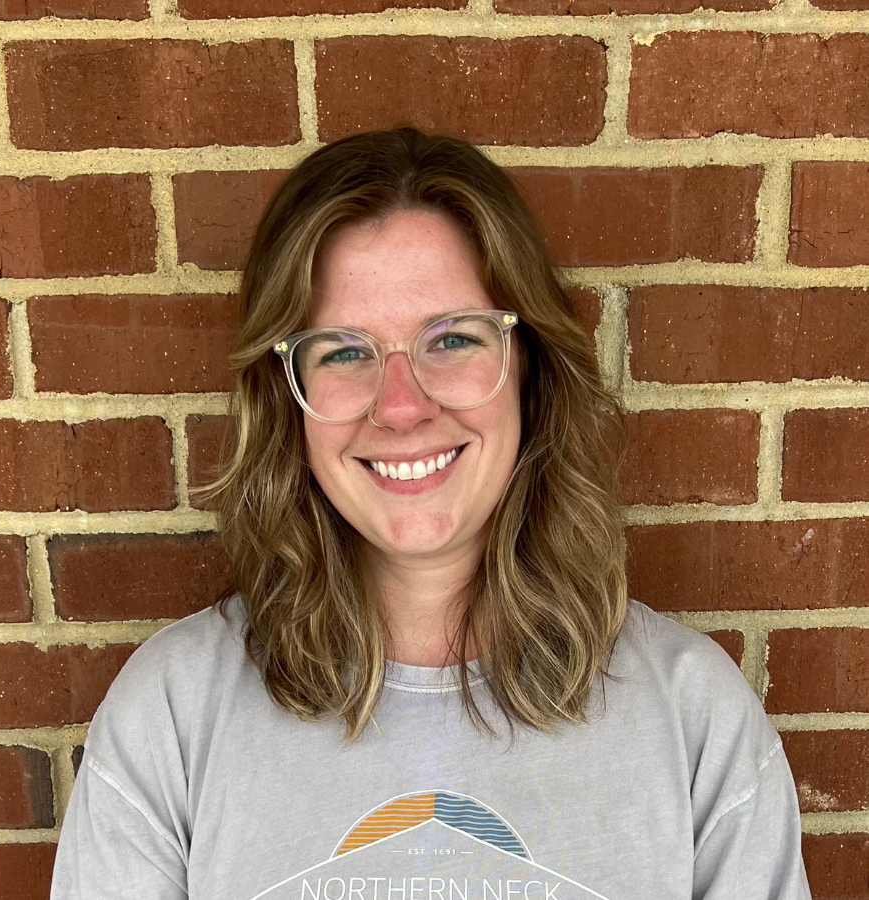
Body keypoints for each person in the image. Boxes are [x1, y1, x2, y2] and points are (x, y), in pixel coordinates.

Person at [50, 127, 812, 900]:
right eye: (344, 351)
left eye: (450, 339)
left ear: (531, 371)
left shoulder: (691, 719)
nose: (401, 406)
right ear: (289, 401)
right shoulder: (172, 718)